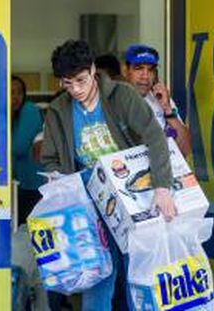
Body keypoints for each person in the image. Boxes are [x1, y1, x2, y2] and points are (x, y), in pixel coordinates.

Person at [40, 40, 176, 310]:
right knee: (98, 282)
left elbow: (155, 138)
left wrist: (162, 189)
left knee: (141, 278)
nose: (76, 90)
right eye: (68, 83)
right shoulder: (58, 110)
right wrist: (60, 183)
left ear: (92, 70)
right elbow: (50, 158)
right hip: (91, 206)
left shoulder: (121, 96)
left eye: (81, 80)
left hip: (135, 200)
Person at [125, 44, 192, 157]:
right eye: (139, 68)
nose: (145, 76)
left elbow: (185, 149)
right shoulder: (114, 100)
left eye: (150, 70)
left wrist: (168, 110)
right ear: (126, 71)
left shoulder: (160, 99)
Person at [11, 75, 45, 225]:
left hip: (33, 186)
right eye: (10, 92)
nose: (16, 97)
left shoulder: (29, 110)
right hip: (18, 186)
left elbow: (19, 147)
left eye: (19, 92)